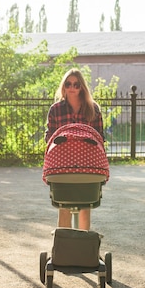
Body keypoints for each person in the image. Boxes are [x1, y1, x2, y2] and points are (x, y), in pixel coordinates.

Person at [45, 68, 104, 230]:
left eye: (76, 84)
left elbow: (99, 137)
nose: (72, 87)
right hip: (63, 164)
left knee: (86, 206)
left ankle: (82, 243)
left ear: (82, 87)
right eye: (68, 84)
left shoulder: (93, 109)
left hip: (87, 164)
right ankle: (65, 245)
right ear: (63, 86)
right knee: (64, 206)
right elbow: (49, 136)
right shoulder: (56, 110)